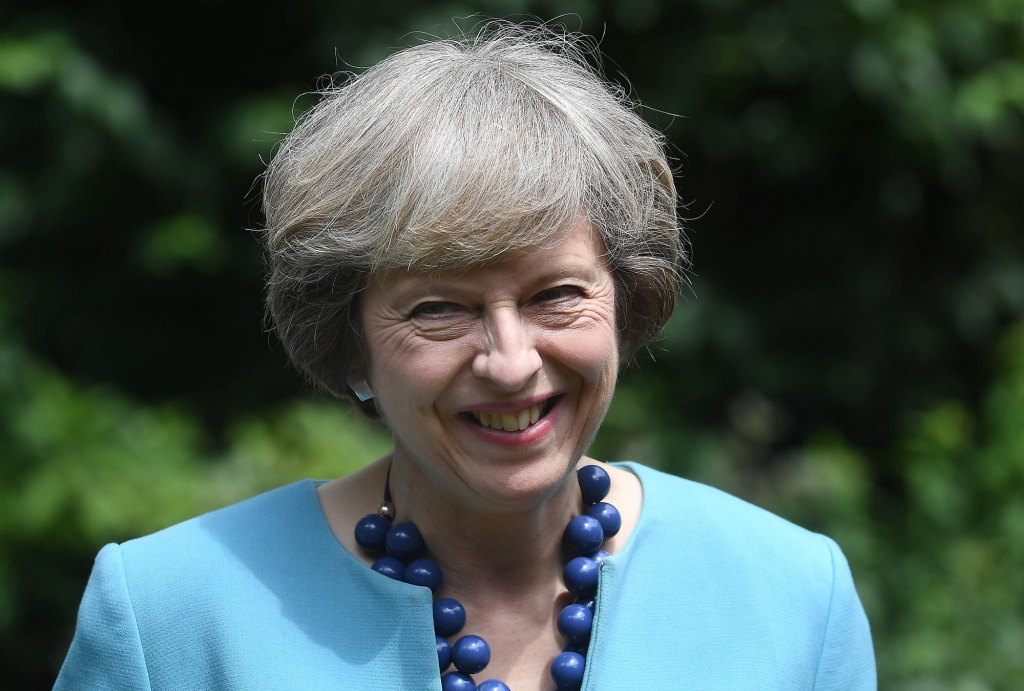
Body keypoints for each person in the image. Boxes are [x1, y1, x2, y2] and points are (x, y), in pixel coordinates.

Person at [55, 24, 875, 691]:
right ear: (350, 338)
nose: (512, 361)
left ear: (626, 298)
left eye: (556, 294)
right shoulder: (170, 615)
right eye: (439, 307)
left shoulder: (794, 596)